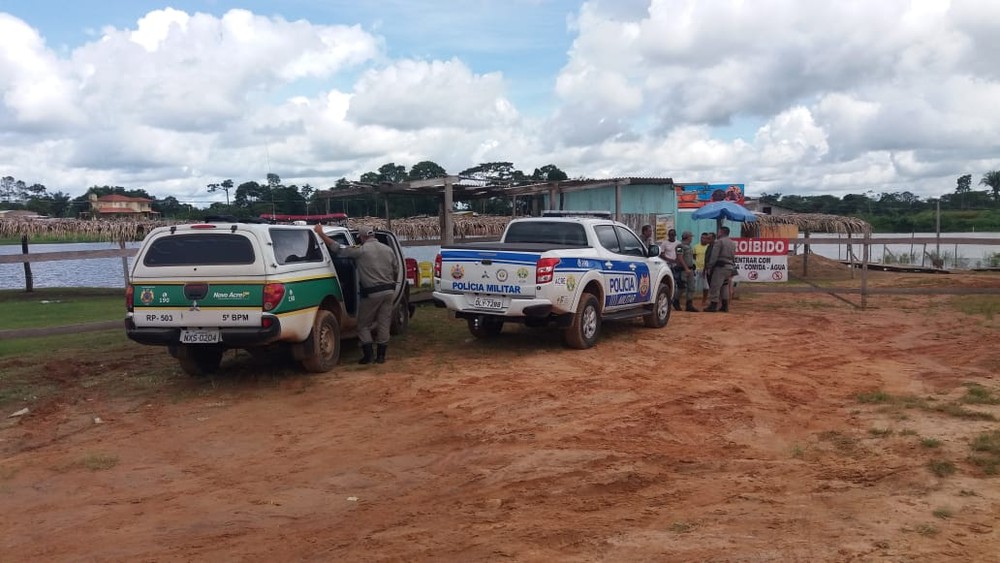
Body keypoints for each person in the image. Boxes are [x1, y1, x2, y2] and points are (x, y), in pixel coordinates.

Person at [314, 224, 399, 364]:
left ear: (362, 237)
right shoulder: (388, 250)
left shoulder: (360, 251)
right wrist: (393, 285)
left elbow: (337, 248)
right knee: (384, 323)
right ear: (373, 235)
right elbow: (396, 270)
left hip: (372, 294)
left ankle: (368, 356)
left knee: (363, 325)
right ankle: (381, 356)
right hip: (389, 291)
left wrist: (321, 234)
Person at [704, 225, 736, 313]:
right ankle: (725, 306)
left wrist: (710, 266)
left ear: (721, 232)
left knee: (715, 285)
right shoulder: (732, 243)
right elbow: (733, 256)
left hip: (720, 267)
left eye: (719, 231)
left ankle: (713, 305)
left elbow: (714, 256)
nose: (718, 233)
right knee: (724, 286)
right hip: (729, 266)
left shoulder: (719, 242)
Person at [674, 231, 698, 311]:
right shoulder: (679, 246)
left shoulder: (689, 246)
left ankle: (689, 305)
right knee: (682, 287)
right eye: (691, 237)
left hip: (690, 269)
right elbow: (680, 257)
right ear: (687, 237)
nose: (691, 239)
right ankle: (676, 300)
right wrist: (686, 268)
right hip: (683, 270)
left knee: (691, 287)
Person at [692, 232, 710, 308]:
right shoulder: (695, 247)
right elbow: (694, 256)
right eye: (702, 238)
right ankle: (690, 300)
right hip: (697, 269)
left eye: (705, 238)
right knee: (693, 285)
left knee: (706, 287)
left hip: (706, 270)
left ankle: (704, 301)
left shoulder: (709, 247)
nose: (703, 239)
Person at [700, 232, 716, 308]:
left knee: (714, 286)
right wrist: (704, 269)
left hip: (713, 270)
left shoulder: (715, 247)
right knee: (709, 286)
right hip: (708, 269)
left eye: (709, 238)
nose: (707, 240)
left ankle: (714, 302)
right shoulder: (709, 247)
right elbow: (706, 259)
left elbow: (714, 259)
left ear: (713, 239)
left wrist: (710, 268)